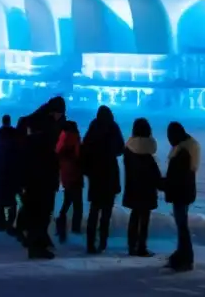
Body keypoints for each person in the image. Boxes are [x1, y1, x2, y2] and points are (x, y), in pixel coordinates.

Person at [21, 96, 66, 259]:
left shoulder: (49, 123)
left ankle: (38, 241)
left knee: (42, 211)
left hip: (45, 175)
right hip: (39, 176)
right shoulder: (41, 126)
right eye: (58, 113)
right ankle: (36, 246)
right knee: (39, 211)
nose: (59, 117)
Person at [80, 106, 124, 254]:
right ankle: (103, 241)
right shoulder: (113, 127)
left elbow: (84, 149)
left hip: (96, 175)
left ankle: (90, 243)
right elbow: (120, 148)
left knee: (94, 210)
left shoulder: (93, 127)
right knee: (106, 212)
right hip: (110, 174)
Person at [163, 121, 200, 272]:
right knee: (182, 225)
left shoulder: (182, 152)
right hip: (185, 191)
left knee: (182, 225)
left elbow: (177, 177)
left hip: (181, 192)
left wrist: (163, 183)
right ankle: (183, 254)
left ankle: (185, 257)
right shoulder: (187, 148)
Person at [122, 117, 161, 257]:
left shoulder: (128, 148)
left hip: (133, 187)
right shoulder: (148, 151)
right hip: (146, 190)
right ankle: (141, 247)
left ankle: (131, 246)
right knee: (144, 219)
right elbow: (154, 173)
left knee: (134, 216)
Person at [55, 120, 83, 242]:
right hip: (75, 174)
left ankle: (60, 225)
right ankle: (75, 228)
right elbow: (79, 156)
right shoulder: (75, 138)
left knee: (67, 202)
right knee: (77, 204)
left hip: (65, 174)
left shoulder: (61, 139)